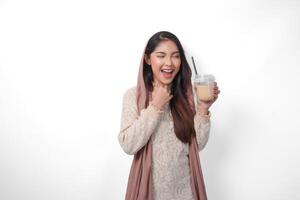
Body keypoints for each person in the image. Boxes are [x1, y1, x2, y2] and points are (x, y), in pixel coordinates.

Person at [118, 31, 220, 200]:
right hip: (148, 193)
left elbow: (196, 146)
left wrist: (202, 108)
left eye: (175, 56)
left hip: (186, 194)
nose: (169, 63)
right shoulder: (134, 96)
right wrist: (155, 106)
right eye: (161, 56)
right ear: (148, 59)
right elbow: (128, 144)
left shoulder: (187, 98)